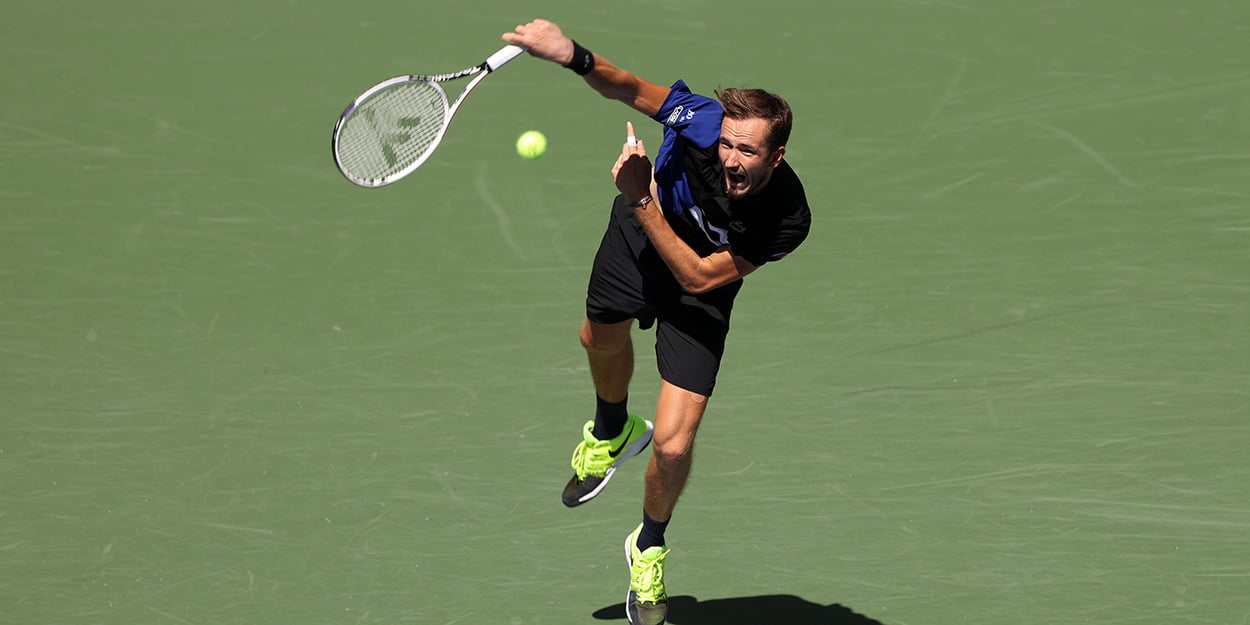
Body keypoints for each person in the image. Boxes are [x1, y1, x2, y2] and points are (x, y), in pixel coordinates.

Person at [503, 19, 811, 625]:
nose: (731, 159)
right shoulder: (699, 121)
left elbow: (699, 278)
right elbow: (627, 88)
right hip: (636, 249)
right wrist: (572, 55)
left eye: (748, 151)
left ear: (776, 155)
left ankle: (648, 546)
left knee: (673, 445)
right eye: (726, 144)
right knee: (598, 336)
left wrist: (640, 197)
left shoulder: (788, 218)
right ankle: (612, 426)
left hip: (697, 287)